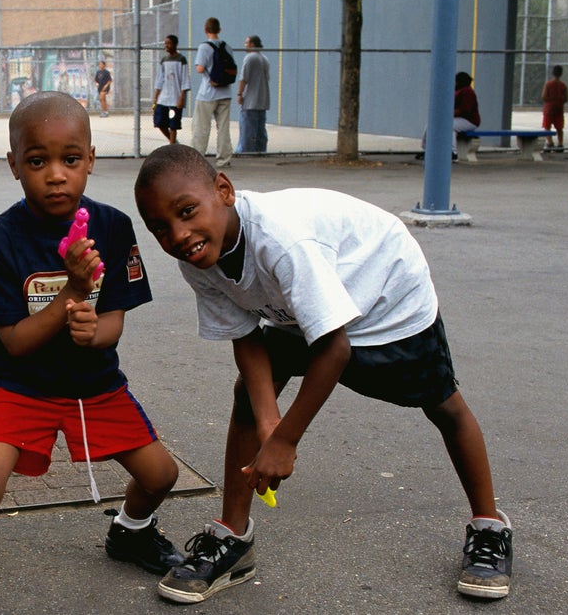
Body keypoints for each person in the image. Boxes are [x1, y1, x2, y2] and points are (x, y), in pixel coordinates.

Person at [133, 144, 514, 603]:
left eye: (187, 212)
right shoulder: (198, 257)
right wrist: (269, 420)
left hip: (387, 295)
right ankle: (233, 536)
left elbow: (334, 350)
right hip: (304, 304)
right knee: (248, 400)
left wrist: (286, 440)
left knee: (443, 406)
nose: (178, 234)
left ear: (224, 191)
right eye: (160, 228)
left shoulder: (281, 241)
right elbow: (247, 337)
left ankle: (490, 527)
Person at [0, 92, 184, 615]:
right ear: (14, 165)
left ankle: (131, 531)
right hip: (18, 384)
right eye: (38, 161)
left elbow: (114, 323)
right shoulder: (1, 240)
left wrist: (90, 333)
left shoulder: (113, 227)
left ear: (91, 160)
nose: (55, 174)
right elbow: (14, 341)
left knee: (160, 476)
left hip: (93, 385)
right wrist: (70, 296)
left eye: (70, 159)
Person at [191, 17, 235, 168]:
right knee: (223, 128)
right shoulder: (227, 47)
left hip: (208, 93)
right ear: (219, 30)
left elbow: (200, 69)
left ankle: (197, 157)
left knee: (201, 127)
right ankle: (224, 158)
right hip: (225, 92)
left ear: (205, 30)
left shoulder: (204, 47)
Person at [420, 71, 479, 159]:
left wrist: (447, 114)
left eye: (455, 81)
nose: (454, 83)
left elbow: (465, 110)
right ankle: (427, 150)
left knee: (448, 126)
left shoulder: (467, 92)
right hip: (457, 119)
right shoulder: (457, 91)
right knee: (431, 124)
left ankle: (453, 152)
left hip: (469, 121)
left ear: (460, 81)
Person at [152, 34, 190, 145]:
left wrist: (181, 98)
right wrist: (155, 98)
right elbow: (159, 80)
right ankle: (174, 143)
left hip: (175, 99)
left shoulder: (181, 60)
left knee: (173, 124)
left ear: (175, 44)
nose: (166, 46)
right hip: (164, 99)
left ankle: (172, 146)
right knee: (160, 122)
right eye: (165, 43)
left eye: (169, 43)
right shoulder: (164, 60)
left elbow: (185, 80)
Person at [235, 35, 270, 154]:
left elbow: (244, 78)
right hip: (262, 101)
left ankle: (245, 152)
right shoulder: (264, 59)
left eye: (246, 43)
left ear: (252, 45)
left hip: (250, 102)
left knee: (247, 131)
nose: (244, 45)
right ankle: (260, 151)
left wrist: (239, 94)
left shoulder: (249, 58)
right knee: (260, 131)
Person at [541, 65, 568, 151]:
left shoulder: (548, 84)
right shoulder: (563, 85)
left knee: (547, 127)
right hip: (559, 109)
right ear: (561, 74)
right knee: (559, 128)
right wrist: (560, 100)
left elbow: (544, 96)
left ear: (552, 73)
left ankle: (550, 142)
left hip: (549, 109)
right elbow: (566, 98)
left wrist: (550, 100)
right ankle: (560, 143)